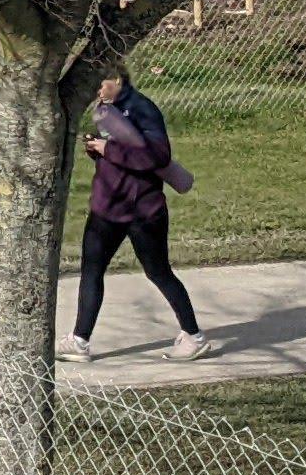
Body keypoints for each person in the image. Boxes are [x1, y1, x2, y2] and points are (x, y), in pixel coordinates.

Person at [69, 66, 208, 360]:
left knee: (158, 272)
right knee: (92, 271)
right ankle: (79, 341)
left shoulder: (143, 109)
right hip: (107, 208)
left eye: (100, 83)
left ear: (117, 81)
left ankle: (194, 337)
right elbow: (118, 151)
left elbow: (157, 157)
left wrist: (110, 150)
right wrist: (98, 150)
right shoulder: (107, 109)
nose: (96, 90)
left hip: (143, 211)